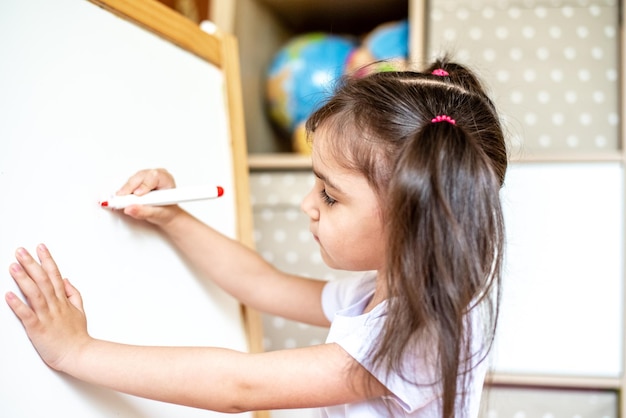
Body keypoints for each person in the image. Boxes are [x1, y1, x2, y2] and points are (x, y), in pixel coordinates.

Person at [5, 58, 507, 417]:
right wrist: (173, 219)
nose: (307, 205)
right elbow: (263, 285)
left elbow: (239, 386)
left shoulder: (421, 335)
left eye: (330, 196)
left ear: (413, 218)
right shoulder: (397, 287)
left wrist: (78, 352)